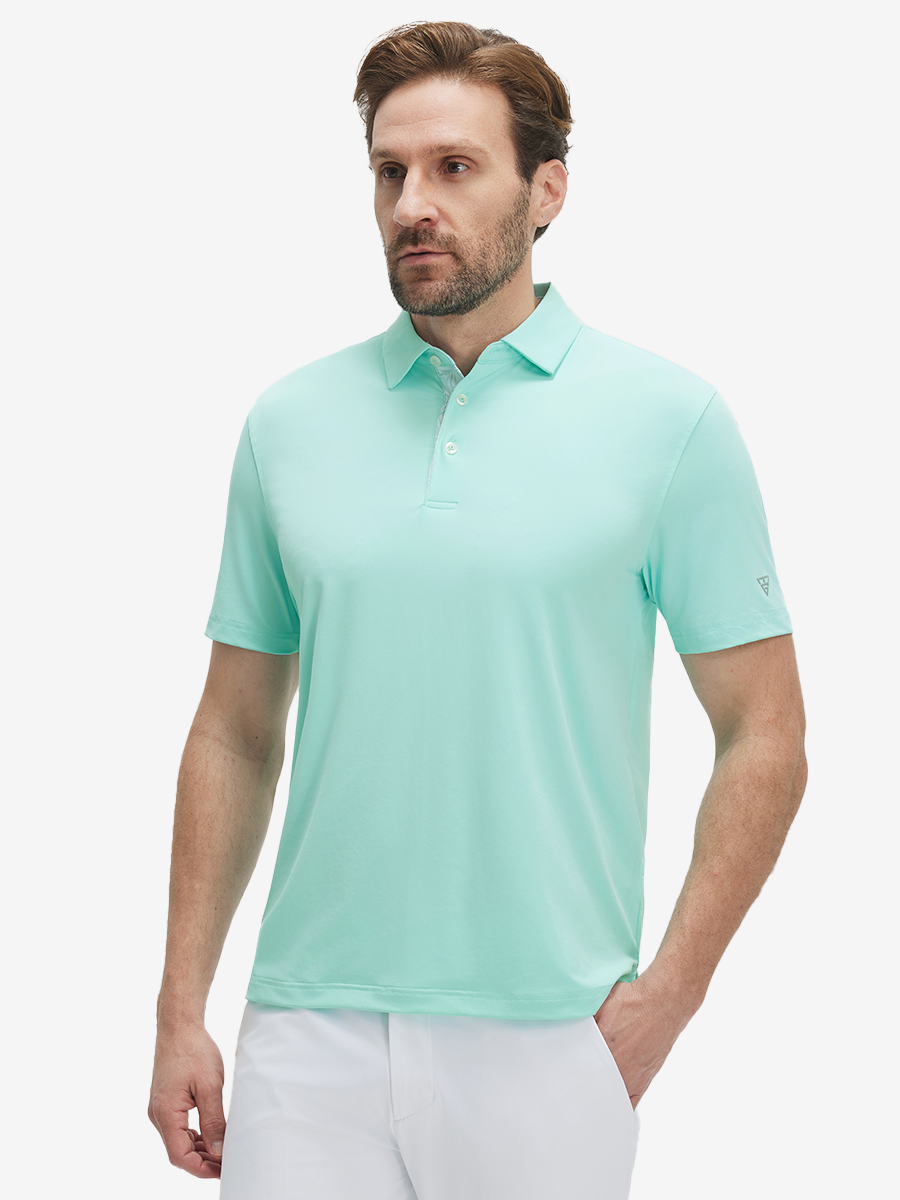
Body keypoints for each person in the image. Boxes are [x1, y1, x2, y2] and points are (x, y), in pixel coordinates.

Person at [148, 20, 807, 1200]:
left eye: (454, 167)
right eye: (390, 171)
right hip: (305, 1030)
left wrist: (668, 999)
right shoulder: (288, 424)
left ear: (546, 190)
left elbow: (766, 731)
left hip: (549, 1037)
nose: (414, 204)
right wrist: (179, 1007)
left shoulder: (671, 422)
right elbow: (235, 731)